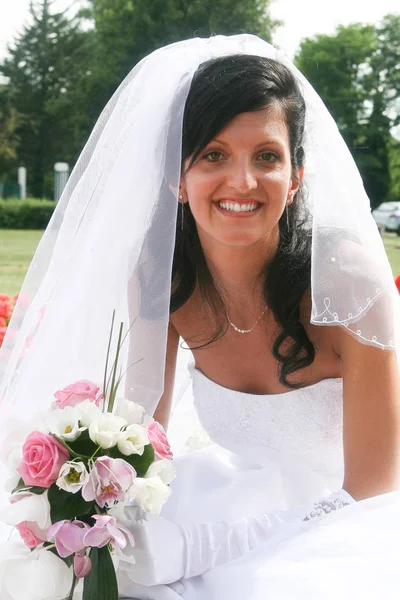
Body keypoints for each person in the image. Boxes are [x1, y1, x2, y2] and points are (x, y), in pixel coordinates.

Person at [0, 35, 399, 600]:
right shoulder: (163, 280)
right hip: (229, 502)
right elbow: (140, 443)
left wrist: (196, 549)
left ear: (296, 177)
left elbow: (372, 496)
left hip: (348, 537)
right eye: (213, 155)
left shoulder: (347, 283)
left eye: (267, 157)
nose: (242, 181)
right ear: (176, 180)